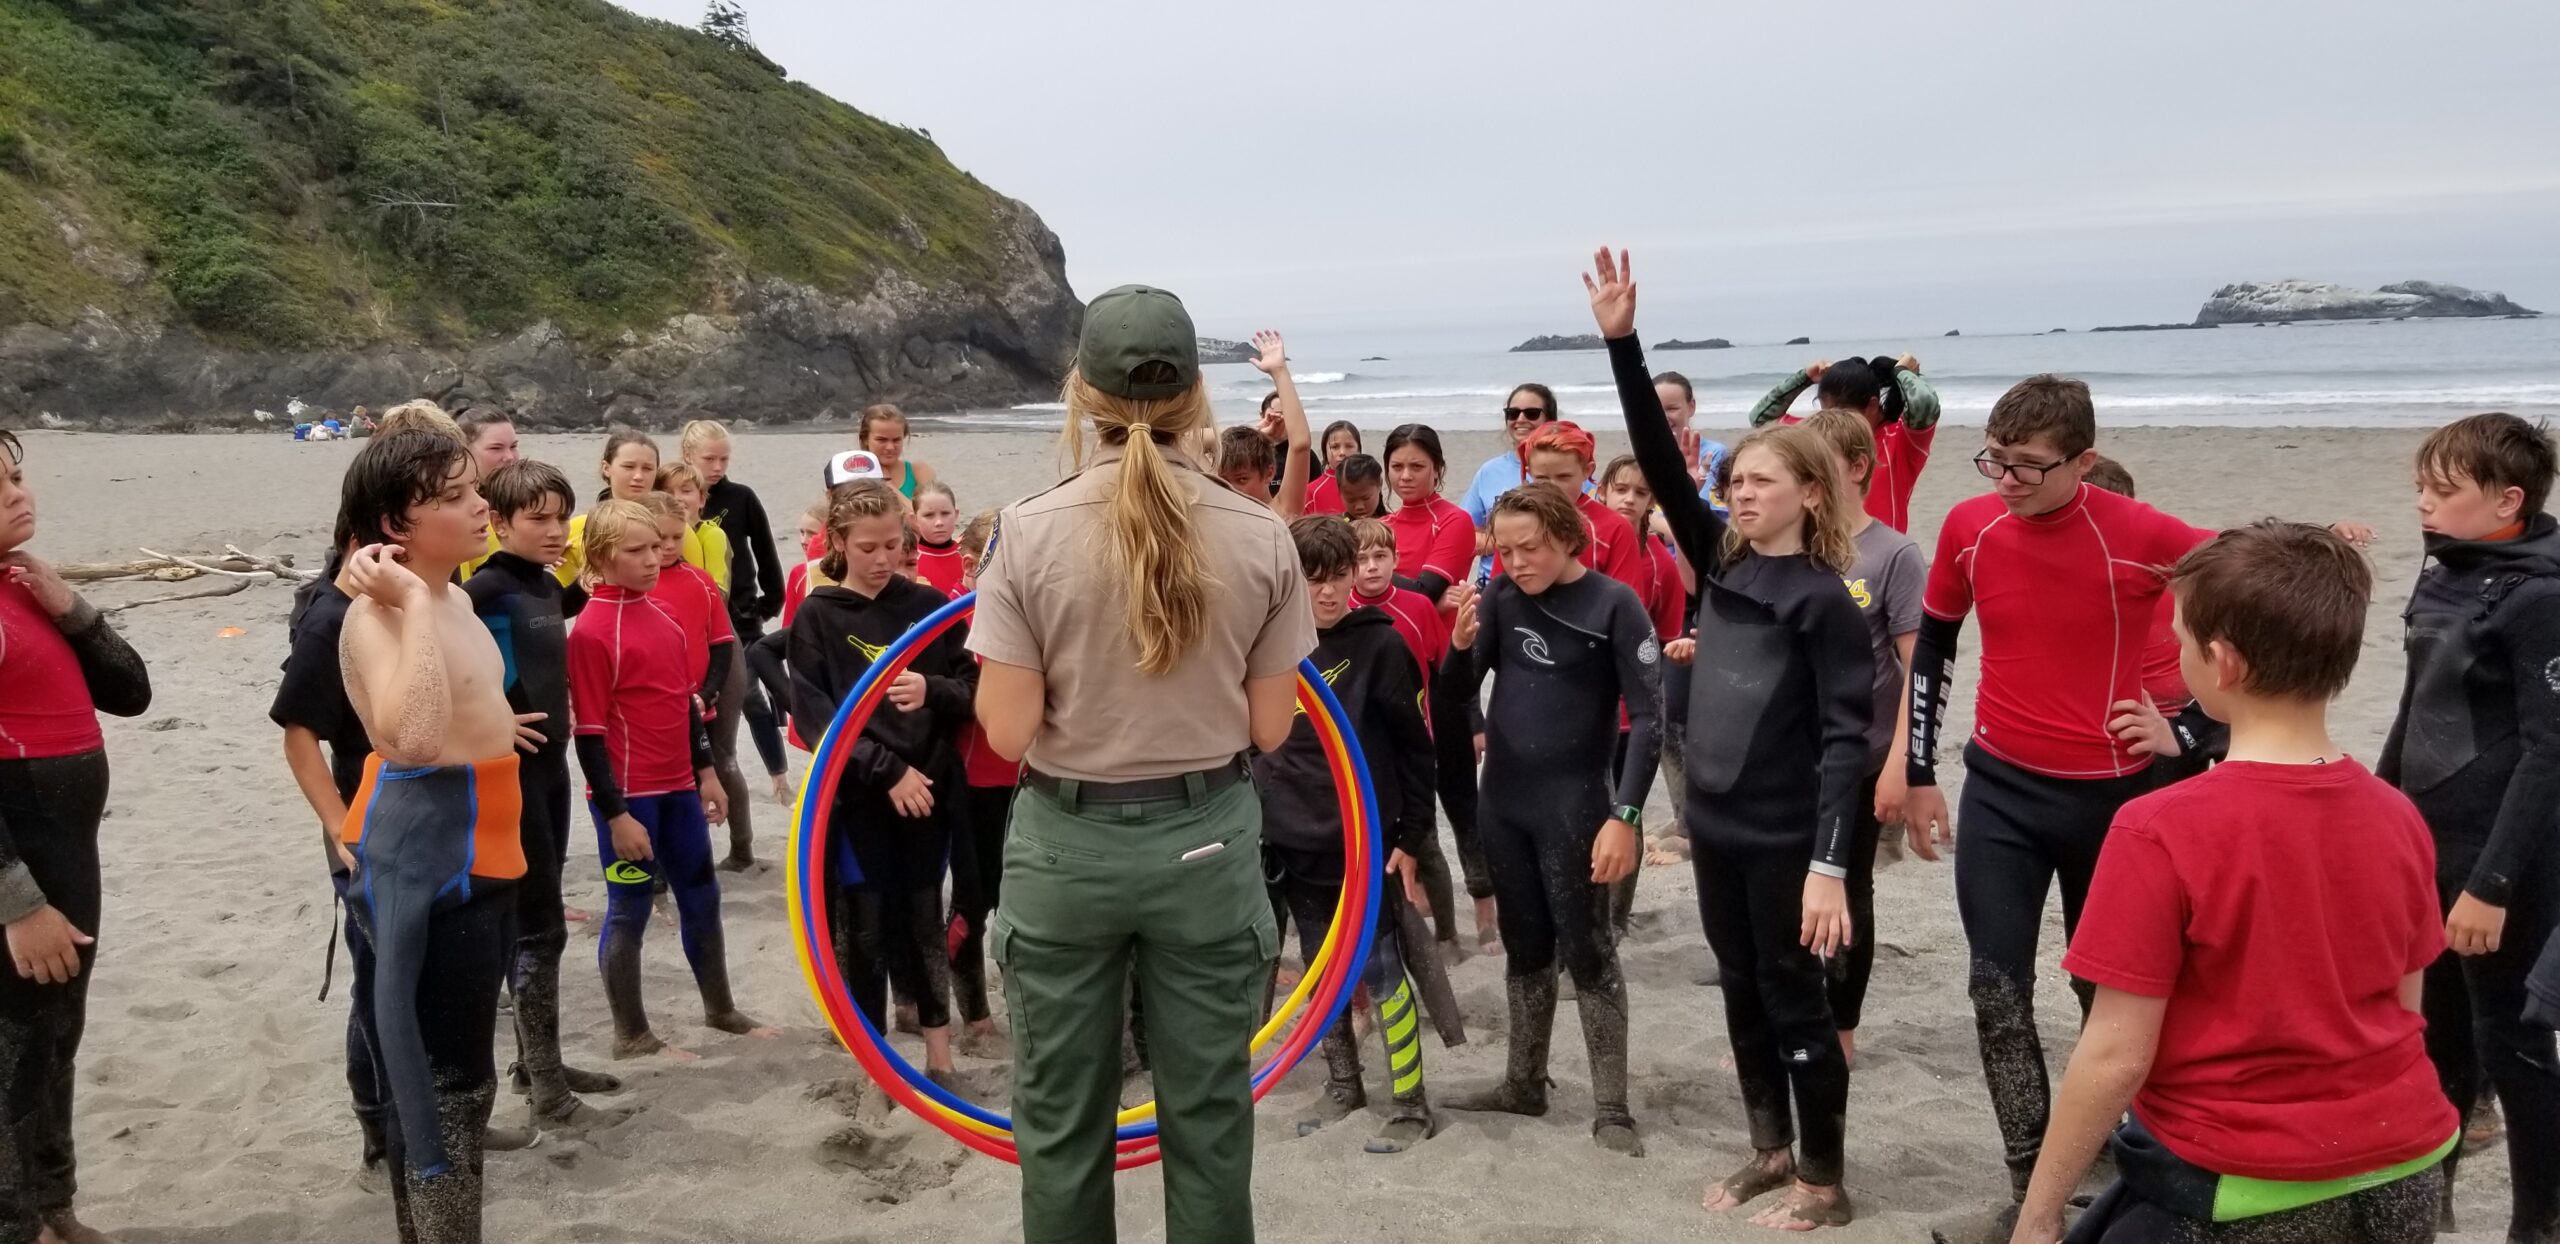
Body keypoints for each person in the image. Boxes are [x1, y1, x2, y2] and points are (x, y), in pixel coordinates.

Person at [966, 284, 1313, 1242]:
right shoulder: (1262, 535)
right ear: (1198, 399)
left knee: (1062, 1122)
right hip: (1205, 841)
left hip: (1066, 847)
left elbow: (1004, 731)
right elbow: (1273, 727)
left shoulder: (1026, 530)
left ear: (1081, 392)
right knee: (1208, 1116)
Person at [2015, 522, 2456, 1244]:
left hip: (2243, 1187)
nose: (2176, 650)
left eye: (2181, 636)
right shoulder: (2397, 813)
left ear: (2220, 662)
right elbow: (2404, 1005)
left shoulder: (2158, 827)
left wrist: (2038, 1216)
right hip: (2407, 1162)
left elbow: (2116, 1052)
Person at [1588, 246, 1874, 1226]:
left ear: (1807, 491)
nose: (1740, 492)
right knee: (1742, 993)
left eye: (1761, 481)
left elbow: (1847, 742)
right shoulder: (1721, 563)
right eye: (1734, 479)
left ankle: (1824, 1182)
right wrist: (1622, 343)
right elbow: (1659, 458)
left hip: (1788, 836)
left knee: (1797, 1003)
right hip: (1715, 828)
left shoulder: (1828, 602)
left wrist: (1832, 866)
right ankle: (1770, 1146)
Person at [1894, 373, 2218, 1225]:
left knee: (2106, 997)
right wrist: (1920, 770)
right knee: (1995, 992)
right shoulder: (1973, 525)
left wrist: (2190, 736)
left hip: (2114, 805)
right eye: (1994, 460)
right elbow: (1933, 646)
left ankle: (2125, 1157)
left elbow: (2271, 615)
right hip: (2002, 791)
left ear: (2084, 460)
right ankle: (2028, 1187)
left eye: (2029, 467)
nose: (2006, 480)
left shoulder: (2139, 532)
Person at [330, 430, 530, 1242]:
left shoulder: (461, 599)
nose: (481, 505)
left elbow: (466, 709)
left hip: (486, 851)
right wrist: (408, 597)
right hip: (433, 862)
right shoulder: (377, 616)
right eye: (452, 498)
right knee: (441, 1085)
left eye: (471, 488)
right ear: (394, 523)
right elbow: (408, 738)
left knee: (464, 1083)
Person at [2377, 411, 2560, 1242]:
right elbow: (2417, 711)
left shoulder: (2541, 597)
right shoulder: (2445, 567)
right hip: (2425, 844)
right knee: (2432, 1038)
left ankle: (2538, 1223)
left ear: (2507, 501)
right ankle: (2429, 1210)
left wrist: (2491, 884)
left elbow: (2550, 753)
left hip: (2504, 860)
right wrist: (2379, 816)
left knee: (2513, 1042)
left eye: (2442, 492)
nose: (2422, 503)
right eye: (2421, 486)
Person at [1443, 482, 1658, 1156]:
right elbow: (1455, 697)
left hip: (1577, 806)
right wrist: (1456, 648)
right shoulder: (1503, 598)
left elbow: (1651, 717)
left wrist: (1625, 814)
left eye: (1529, 548)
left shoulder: (1614, 605)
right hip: (1503, 803)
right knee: (1525, 944)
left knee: (1588, 948)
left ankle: (1613, 1108)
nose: (1515, 562)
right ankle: (1524, 1083)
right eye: (1503, 550)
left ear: (1567, 537)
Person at [0, 428, 151, 1244]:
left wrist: (71, 608)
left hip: (68, 856)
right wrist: (16, 902)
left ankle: (52, 1203)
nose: (23, 494)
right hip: (21, 866)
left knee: (58, 1033)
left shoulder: (24, 586)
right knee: (14, 1053)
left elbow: (130, 691)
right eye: (1, 488)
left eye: (19, 477)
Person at [787, 479, 976, 1087]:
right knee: (864, 926)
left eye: (893, 545)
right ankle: (878, 1068)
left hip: (928, 789)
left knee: (924, 916)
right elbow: (817, 718)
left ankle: (941, 1056)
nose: (882, 559)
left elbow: (971, 691)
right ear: (837, 543)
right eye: (867, 547)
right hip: (859, 795)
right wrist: (886, 770)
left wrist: (932, 690)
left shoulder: (925, 607)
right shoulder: (818, 615)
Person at [565, 499, 766, 1060]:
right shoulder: (590, 634)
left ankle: (720, 1010)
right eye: (636, 550)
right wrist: (616, 813)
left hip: (679, 789)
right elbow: (589, 734)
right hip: (630, 798)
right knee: (627, 908)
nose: (653, 559)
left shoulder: (667, 618)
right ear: (602, 558)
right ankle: (631, 1035)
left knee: (702, 894)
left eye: (656, 546)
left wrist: (707, 773)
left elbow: (684, 708)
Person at [1262, 516, 1438, 1153]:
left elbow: (1418, 752)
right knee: (1320, 968)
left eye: (1338, 577)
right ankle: (1344, 1083)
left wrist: (1411, 836)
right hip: (1294, 837)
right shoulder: (1270, 647)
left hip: (1365, 842)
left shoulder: (1382, 646)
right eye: (1313, 581)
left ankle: (1411, 1102)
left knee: (1384, 969)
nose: (1330, 592)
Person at [462, 461, 625, 1127]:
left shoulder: (541, 584)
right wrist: (492, 720)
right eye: (539, 519)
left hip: (550, 772)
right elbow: (461, 676)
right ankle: (549, 1092)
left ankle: (539, 1064)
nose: (558, 531)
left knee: (545, 923)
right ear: (499, 523)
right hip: (512, 779)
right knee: (539, 931)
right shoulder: (488, 592)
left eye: (562, 516)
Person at [273, 531, 396, 1179]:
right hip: (363, 820)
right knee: (380, 982)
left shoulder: (417, 598)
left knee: (395, 979)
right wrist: (339, 825)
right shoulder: (331, 617)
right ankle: (381, 1120)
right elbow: (301, 737)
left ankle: (401, 1116)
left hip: (413, 821)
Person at [1379, 423, 1498, 950]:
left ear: (1438, 470)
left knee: (1458, 796)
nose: (1406, 476)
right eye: (1397, 467)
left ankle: (1487, 909)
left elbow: (1429, 589)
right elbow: (1419, 593)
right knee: (1404, 798)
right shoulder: (1380, 525)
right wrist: (1416, 595)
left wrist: (1379, 582)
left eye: (1417, 467)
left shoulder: (1452, 521)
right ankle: (1423, 902)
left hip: (1445, 672)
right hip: (1389, 675)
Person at [1348, 517, 1461, 951]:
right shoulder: (1342, 612)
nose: (1372, 567)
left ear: (1396, 560)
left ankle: (1448, 934)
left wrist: (1471, 724)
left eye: (1380, 557)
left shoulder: (1417, 608)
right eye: (1360, 560)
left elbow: (1446, 675)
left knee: (1425, 841)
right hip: (1360, 749)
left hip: (1413, 744)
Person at [637, 492, 756, 874]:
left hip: (710, 684)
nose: (669, 547)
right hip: (656, 695)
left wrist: (708, 692)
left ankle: (741, 848)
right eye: (660, 539)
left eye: (677, 537)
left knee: (721, 760)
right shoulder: (632, 582)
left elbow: (722, 643)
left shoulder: (699, 581)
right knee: (661, 774)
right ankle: (662, 860)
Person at [1596, 453, 1692, 911]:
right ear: (1602, 492)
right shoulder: (1582, 548)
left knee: (1625, 808)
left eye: (1640, 493)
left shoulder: (1661, 564)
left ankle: (1618, 915)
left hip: (1630, 712)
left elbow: (1667, 642)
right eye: (1621, 489)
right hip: (1581, 706)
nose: (1629, 500)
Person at [682, 421, 793, 805]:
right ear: (688, 457)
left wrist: (771, 601)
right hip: (694, 620)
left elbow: (765, 550)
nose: (717, 467)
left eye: (724, 459)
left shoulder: (741, 496)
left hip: (742, 613)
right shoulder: (674, 497)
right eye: (708, 458)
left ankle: (778, 774)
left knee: (752, 697)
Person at [947, 508, 1020, 1053]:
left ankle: (1025, 1004)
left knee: (1023, 902)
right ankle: (974, 1015)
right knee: (974, 898)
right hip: (971, 782)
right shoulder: (952, 618)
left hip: (1028, 780)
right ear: (972, 565)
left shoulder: (1026, 610)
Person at [1747, 353, 1942, 532]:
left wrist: (1902, 372)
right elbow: (1761, 420)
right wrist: (1805, 377)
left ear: (1872, 406)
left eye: (1843, 413)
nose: (1833, 421)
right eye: (1825, 411)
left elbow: (1924, 402)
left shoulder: (1900, 440)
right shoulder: (1814, 434)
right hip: (1823, 554)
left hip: (1881, 558)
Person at [554, 429, 720, 606]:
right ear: (606, 468)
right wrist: (540, 559)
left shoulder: (678, 529)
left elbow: (698, 597)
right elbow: (556, 608)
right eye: (629, 467)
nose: (639, 476)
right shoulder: (577, 529)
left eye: (648, 468)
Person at [1458, 382, 1560, 548]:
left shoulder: (1565, 469)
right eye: (1512, 413)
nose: (1520, 420)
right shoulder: (1489, 472)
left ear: (1550, 420)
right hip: (1493, 572)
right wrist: (1506, 544)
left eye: (1531, 414)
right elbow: (1462, 533)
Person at [1653, 371, 1731, 512]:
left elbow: (1711, 511)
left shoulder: (1713, 454)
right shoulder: (1647, 457)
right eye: (1656, 409)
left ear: (1691, 407)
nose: (1663, 416)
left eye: (1672, 408)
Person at [652, 463, 732, 593]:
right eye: (668, 492)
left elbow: (720, 591)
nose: (676, 498)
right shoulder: (650, 531)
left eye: (686, 491)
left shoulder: (713, 535)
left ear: (702, 499)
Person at [856, 404, 937, 500]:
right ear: (865, 438)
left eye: (896, 440)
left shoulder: (919, 472)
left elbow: (926, 514)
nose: (890, 447)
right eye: (881, 440)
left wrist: (887, 484)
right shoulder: (851, 475)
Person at [912, 482, 968, 596]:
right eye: (929, 515)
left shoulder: (969, 557)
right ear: (915, 519)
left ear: (956, 514)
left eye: (945, 513)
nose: (939, 522)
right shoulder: (908, 562)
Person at [1304, 421, 1362, 514]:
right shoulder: (1312, 491)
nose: (1342, 452)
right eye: (1335, 447)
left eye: (1349, 446)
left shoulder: (1368, 483)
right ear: (1325, 452)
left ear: (1359, 450)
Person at [1333, 454, 1385, 521]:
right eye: (1350, 500)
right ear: (1340, 491)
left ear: (1379, 484)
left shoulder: (1392, 525)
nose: (1359, 507)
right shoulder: (1336, 528)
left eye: (1366, 498)